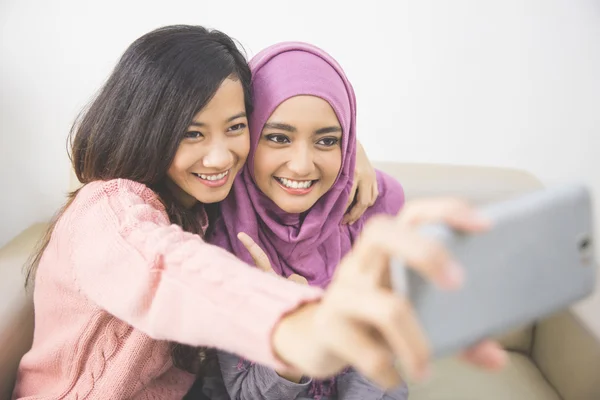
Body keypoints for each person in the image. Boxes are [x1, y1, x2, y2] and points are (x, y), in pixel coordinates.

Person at [13, 25, 506, 400]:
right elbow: (165, 272)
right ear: (147, 126)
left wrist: (351, 151)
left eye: (234, 127)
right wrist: (294, 317)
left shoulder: (209, 205)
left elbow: (297, 124)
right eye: (191, 132)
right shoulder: (110, 209)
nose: (220, 155)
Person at [207, 42, 408, 400]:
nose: (301, 165)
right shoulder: (220, 236)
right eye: (278, 138)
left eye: (327, 140)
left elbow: (381, 369)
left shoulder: (369, 212)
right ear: (248, 135)